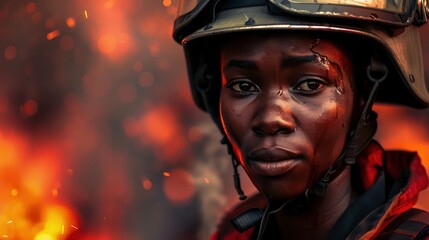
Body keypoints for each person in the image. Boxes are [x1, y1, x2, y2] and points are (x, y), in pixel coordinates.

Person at [173, 0, 429, 239]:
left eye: (309, 84)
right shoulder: (232, 233)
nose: (271, 119)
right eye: (242, 87)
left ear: (362, 93)